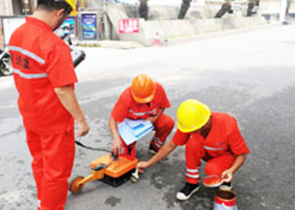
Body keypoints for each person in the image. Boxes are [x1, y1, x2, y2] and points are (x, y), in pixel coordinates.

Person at [8, 0, 90, 209]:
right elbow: (63, 89)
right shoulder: (53, 45)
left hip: (30, 115)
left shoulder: (17, 34)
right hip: (54, 123)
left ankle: (42, 199)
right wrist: (81, 120)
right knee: (56, 172)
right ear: (60, 13)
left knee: (40, 162)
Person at [137, 99, 250, 201]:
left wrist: (231, 170)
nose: (191, 132)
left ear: (205, 124)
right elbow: (171, 145)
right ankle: (192, 183)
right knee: (192, 143)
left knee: (212, 169)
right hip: (208, 152)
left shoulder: (227, 123)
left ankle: (225, 178)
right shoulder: (190, 124)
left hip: (225, 156)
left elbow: (241, 154)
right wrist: (148, 163)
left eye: (195, 130)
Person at [109, 74, 174, 159]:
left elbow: (163, 106)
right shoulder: (126, 96)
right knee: (126, 156)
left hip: (149, 119)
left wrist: (154, 118)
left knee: (168, 122)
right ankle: (128, 153)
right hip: (130, 123)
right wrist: (116, 139)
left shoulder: (158, 89)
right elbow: (112, 120)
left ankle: (155, 146)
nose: (143, 103)